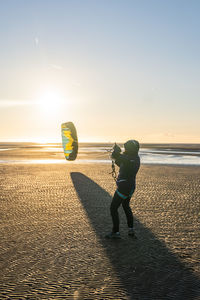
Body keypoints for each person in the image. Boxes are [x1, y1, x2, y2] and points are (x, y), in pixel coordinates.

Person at [106, 140, 140, 239]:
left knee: (113, 208)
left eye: (126, 148)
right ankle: (131, 230)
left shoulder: (132, 159)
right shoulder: (133, 158)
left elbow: (123, 159)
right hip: (130, 187)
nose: (125, 149)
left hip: (125, 187)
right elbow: (120, 162)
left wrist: (117, 152)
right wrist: (115, 154)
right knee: (125, 206)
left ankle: (116, 232)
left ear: (131, 149)